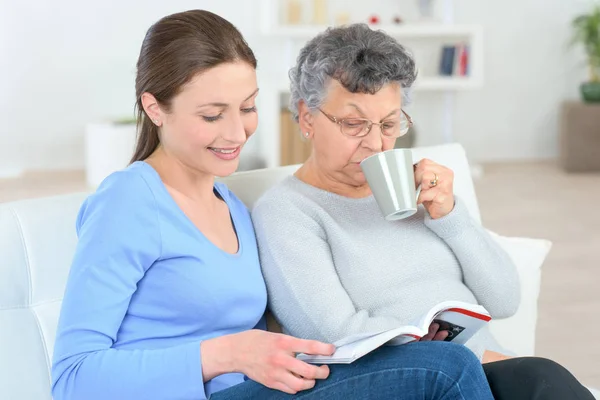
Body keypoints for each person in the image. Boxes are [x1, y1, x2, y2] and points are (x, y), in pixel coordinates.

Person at [50, 10, 496, 400]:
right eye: (211, 115)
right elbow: (72, 379)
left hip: (262, 389)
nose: (237, 132)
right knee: (446, 370)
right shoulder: (128, 202)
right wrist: (221, 355)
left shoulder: (231, 205)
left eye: (247, 107)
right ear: (154, 108)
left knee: (513, 375)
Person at [251, 23, 595, 400]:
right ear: (306, 117)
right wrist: (463, 355)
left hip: (491, 371)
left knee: (543, 379)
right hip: (421, 381)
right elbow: (333, 332)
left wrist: (450, 216)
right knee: (542, 376)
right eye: (353, 124)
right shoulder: (288, 212)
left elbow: (504, 300)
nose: (376, 144)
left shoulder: (419, 192)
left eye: (388, 123)